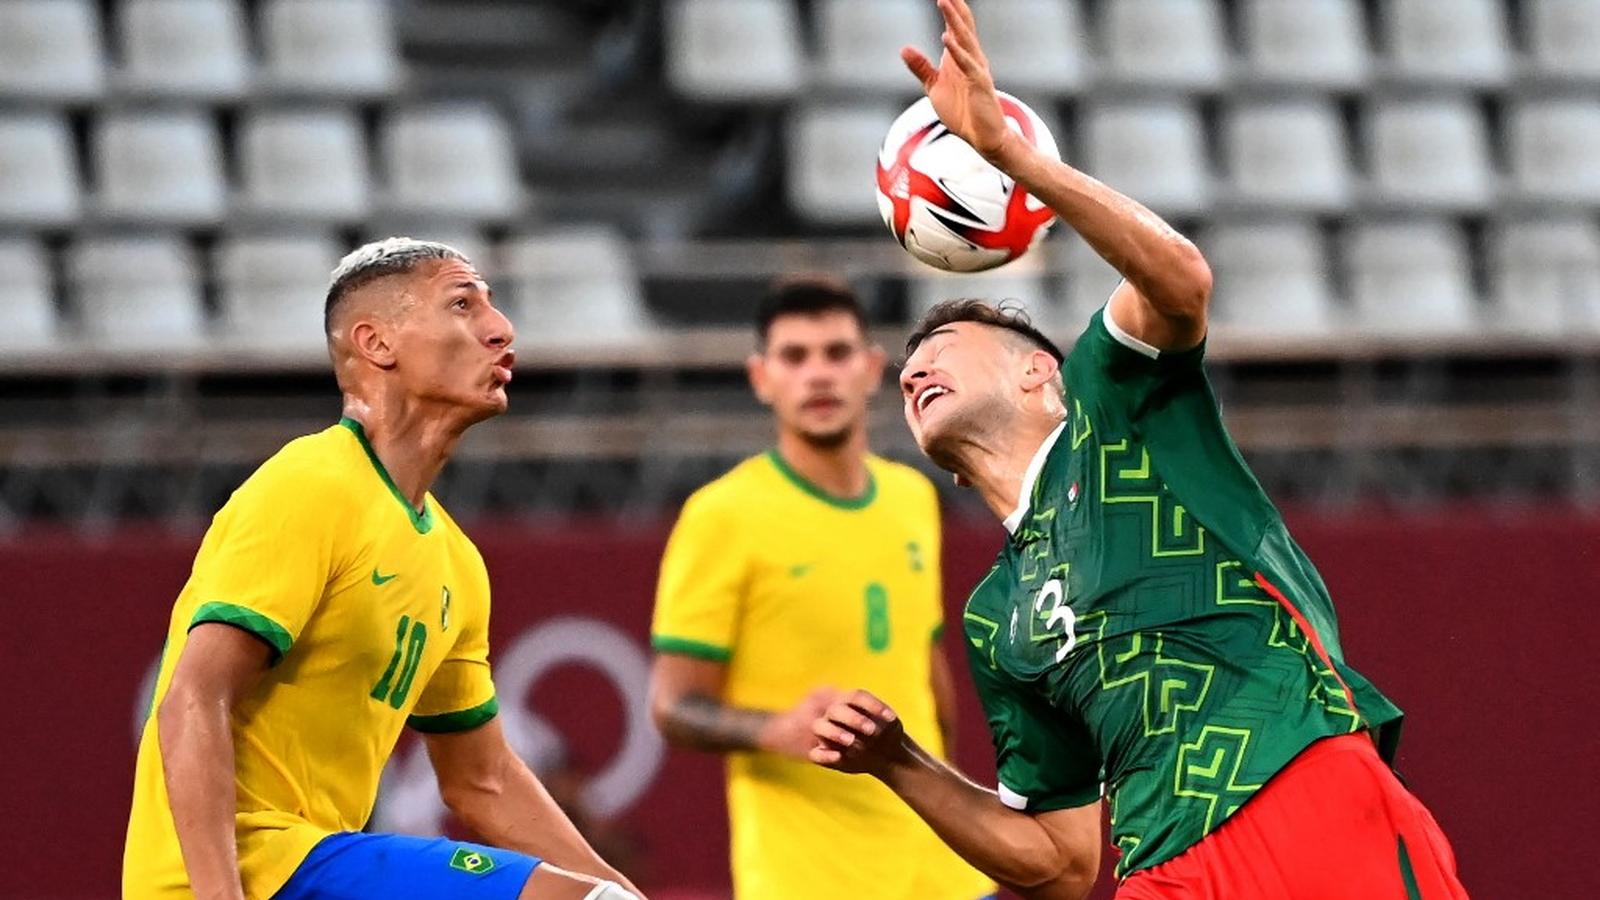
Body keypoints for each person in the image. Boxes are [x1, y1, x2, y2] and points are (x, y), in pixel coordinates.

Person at [809, 2, 1469, 898]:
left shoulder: (1109, 410)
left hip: (1295, 784)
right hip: (1161, 870)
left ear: (1040, 374)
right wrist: (901, 763)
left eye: (943, 347)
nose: (913, 370)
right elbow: (1061, 859)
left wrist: (1021, 164)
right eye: (907, 368)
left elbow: (1181, 279)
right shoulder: (997, 619)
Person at [123, 239, 641, 900]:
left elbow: (480, 780)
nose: (501, 328)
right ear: (377, 344)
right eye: (463, 304)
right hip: (249, 868)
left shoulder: (454, 560)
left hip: (320, 867)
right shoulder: (310, 487)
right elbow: (193, 697)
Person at [648, 278, 994, 899]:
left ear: (868, 369)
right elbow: (674, 706)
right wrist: (774, 729)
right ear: (761, 377)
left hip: (942, 869)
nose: (818, 374)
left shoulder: (912, 498)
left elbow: (925, 657)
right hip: (810, 876)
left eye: (836, 354)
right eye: (794, 356)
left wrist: (955, 792)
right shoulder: (723, 515)